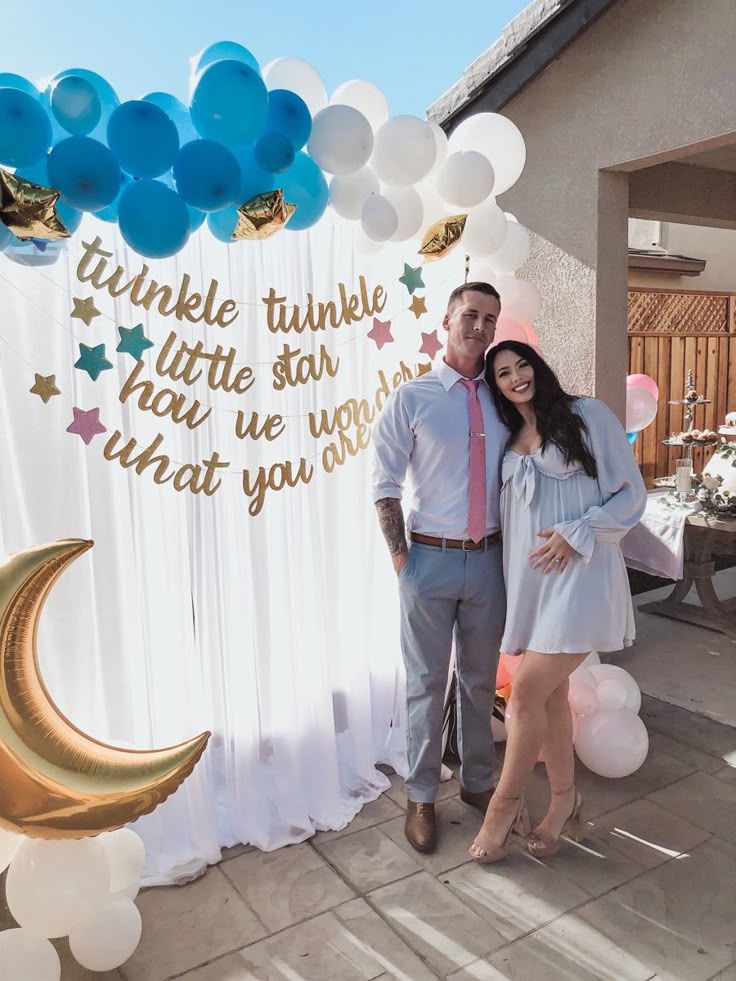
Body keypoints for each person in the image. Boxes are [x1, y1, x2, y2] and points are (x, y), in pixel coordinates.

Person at [469, 340, 647, 863]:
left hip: (582, 576)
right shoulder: (509, 437)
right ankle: (565, 804)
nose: (517, 376)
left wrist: (579, 531)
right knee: (550, 698)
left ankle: (502, 808)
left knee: (523, 696)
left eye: (522, 364)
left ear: (539, 366)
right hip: (534, 587)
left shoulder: (586, 414)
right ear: (496, 386)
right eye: (503, 373)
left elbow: (630, 493)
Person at [371, 282, 508, 853]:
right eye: (470, 315)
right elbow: (383, 484)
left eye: (490, 318)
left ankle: (478, 783)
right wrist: (404, 560)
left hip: (491, 563)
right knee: (426, 684)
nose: (480, 326)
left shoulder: (507, 398)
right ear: (448, 319)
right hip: (428, 560)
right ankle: (422, 794)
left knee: (479, 683)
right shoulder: (413, 397)